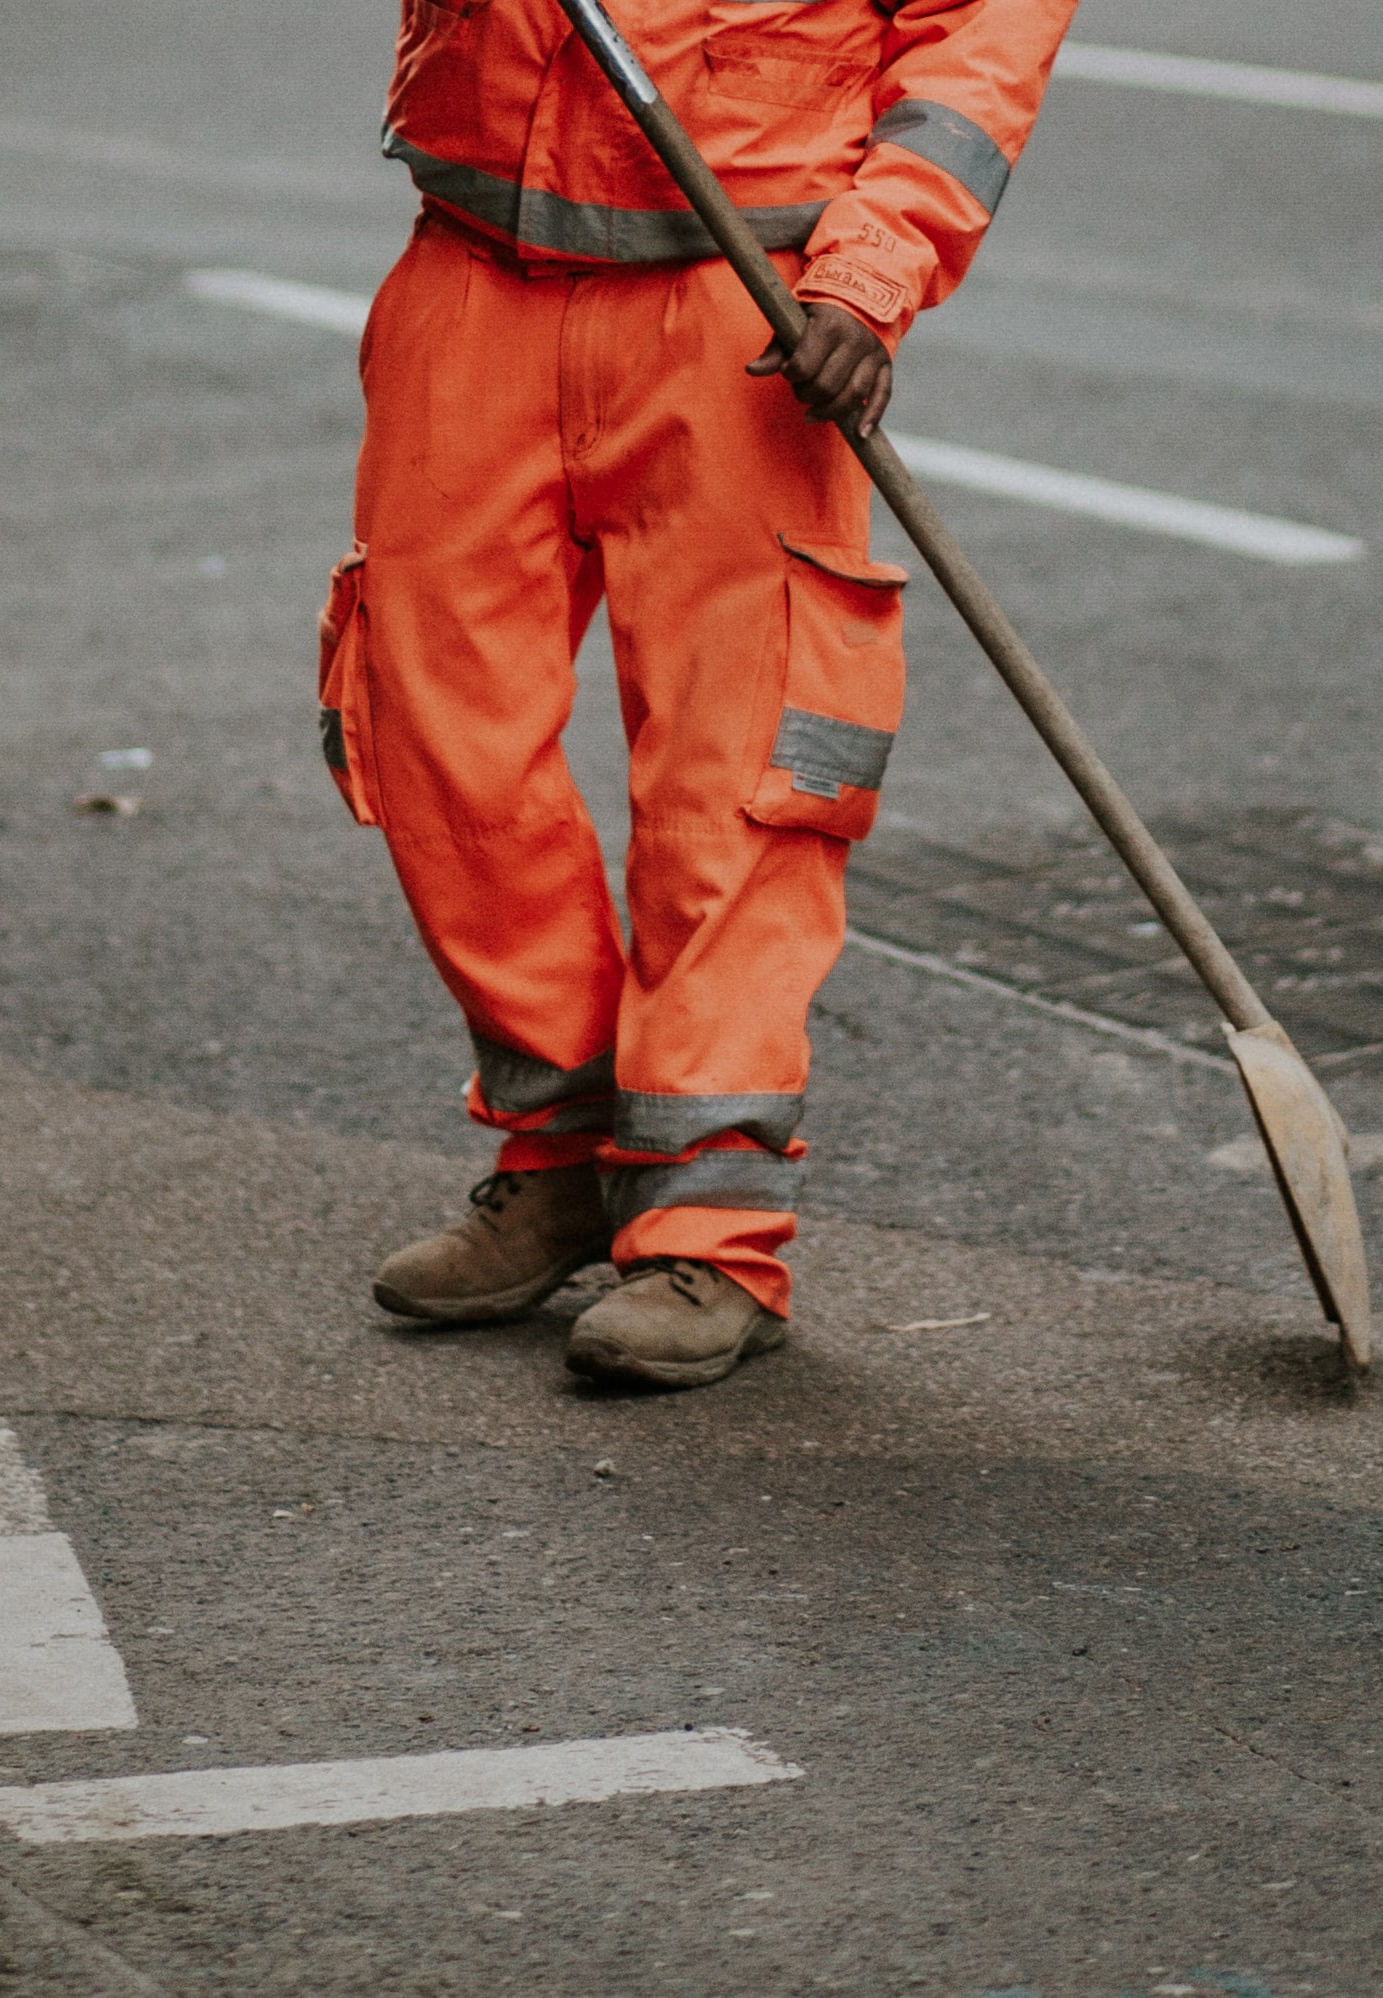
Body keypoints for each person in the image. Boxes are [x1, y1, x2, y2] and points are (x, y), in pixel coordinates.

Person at [324, 0, 1076, 1387]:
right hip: (472, 271)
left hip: (740, 304)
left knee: (736, 783)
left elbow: (981, 38)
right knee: (435, 737)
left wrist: (874, 264)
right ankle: (562, 1148)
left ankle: (709, 1231)